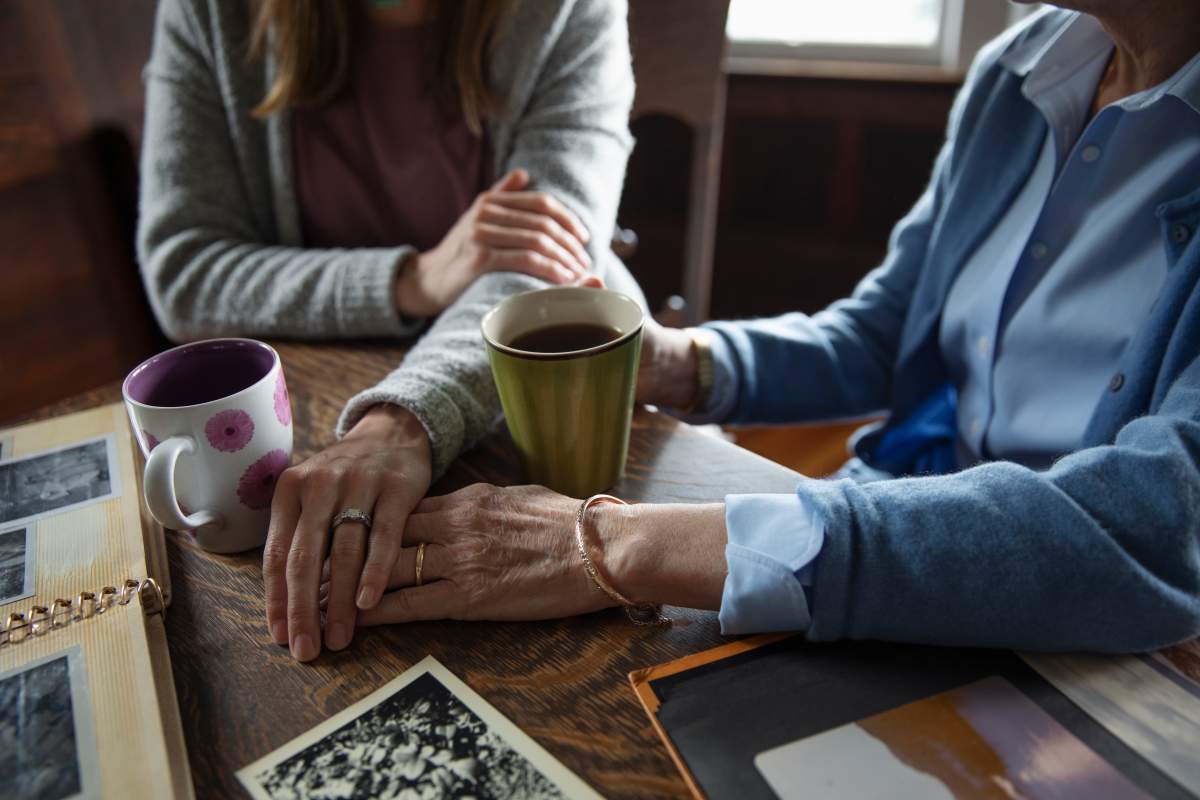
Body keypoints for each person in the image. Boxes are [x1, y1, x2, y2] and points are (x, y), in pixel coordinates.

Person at [335, 1, 1200, 654]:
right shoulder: (1026, 70)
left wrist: (611, 542)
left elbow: (1152, 525)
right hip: (893, 512)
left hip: (1097, 638)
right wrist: (680, 363)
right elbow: (881, 337)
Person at [137, 0, 640, 662]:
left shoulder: (568, 10)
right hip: (319, 414)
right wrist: (414, 279)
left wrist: (402, 422)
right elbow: (186, 271)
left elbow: (548, 275)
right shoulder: (210, 12)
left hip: (490, 410)